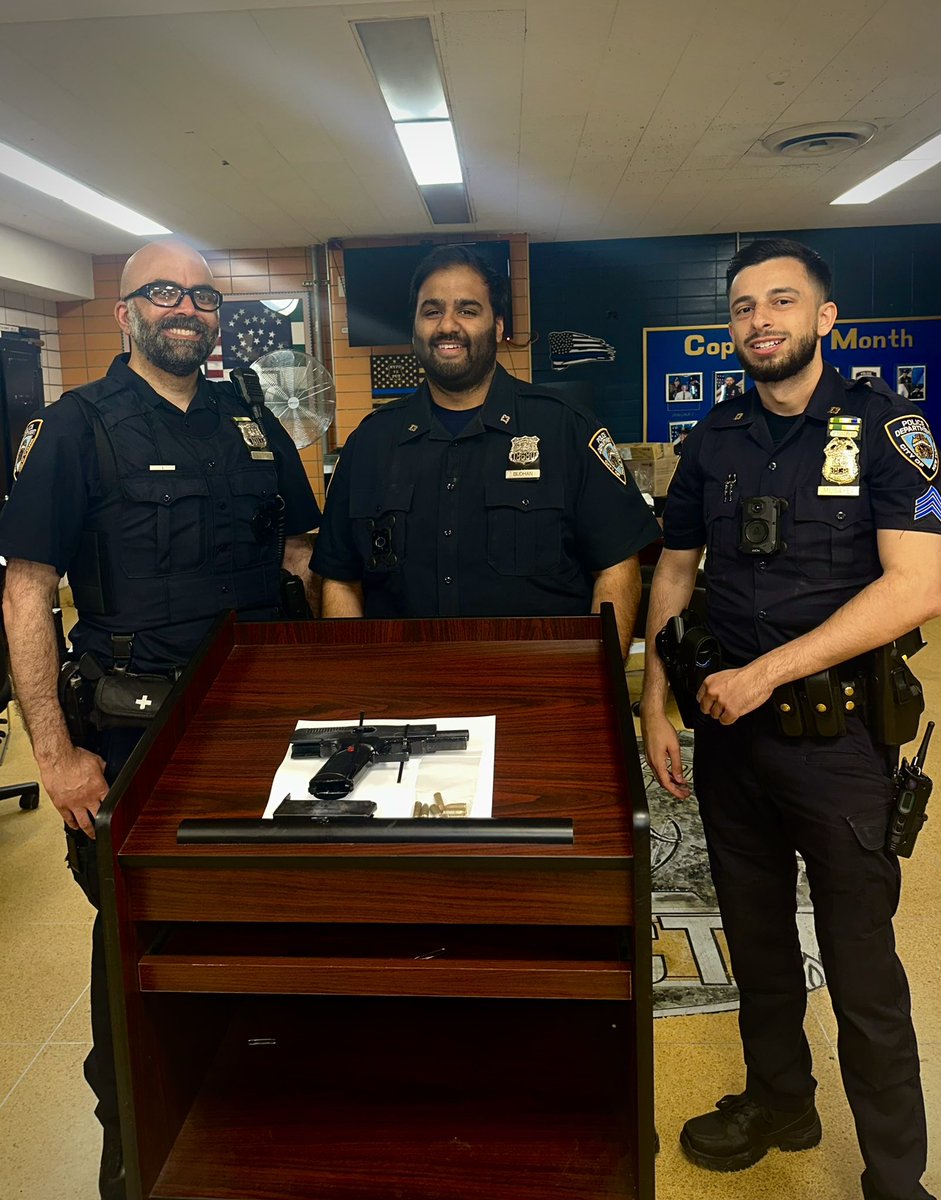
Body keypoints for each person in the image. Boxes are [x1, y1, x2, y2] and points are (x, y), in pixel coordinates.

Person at [0, 239, 321, 1199]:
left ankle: (257, 1135)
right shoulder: (74, 426)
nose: (187, 308)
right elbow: (27, 594)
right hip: (136, 738)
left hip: (264, 734)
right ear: (128, 311)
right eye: (165, 293)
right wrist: (53, 758)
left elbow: (303, 556)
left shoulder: (252, 421)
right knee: (139, 955)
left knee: (267, 931)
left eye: (204, 296)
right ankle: (137, 1158)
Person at [641, 238, 940, 1200]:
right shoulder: (712, 438)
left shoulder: (888, 429)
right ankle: (780, 1102)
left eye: (781, 301)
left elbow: (919, 585)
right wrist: (654, 696)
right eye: (741, 307)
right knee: (757, 943)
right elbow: (675, 570)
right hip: (730, 742)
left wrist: (767, 670)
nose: (759, 320)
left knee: (862, 971)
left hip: (840, 743)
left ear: (824, 320)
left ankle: (896, 1177)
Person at [312, 245, 660, 655]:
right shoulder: (370, 443)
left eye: (467, 310)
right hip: (404, 701)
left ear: (497, 326)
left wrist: (600, 688)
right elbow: (340, 579)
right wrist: (355, 684)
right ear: (414, 327)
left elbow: (617, 567)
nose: (447, 326)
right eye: (431, 311)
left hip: (541, 696)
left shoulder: (565, 428)